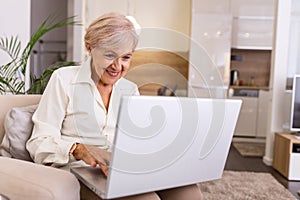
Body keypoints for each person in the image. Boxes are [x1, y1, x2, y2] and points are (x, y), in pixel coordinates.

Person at [26, 12, 202, 200]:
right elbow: (38, 143)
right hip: (79, 172)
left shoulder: (130, 90)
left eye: (126, 57)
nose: (117, 66)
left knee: (189, 193)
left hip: (119, 172)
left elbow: (137, 143)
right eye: (110, 55)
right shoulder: (64, 79)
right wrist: (79, 148)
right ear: (90, 48)